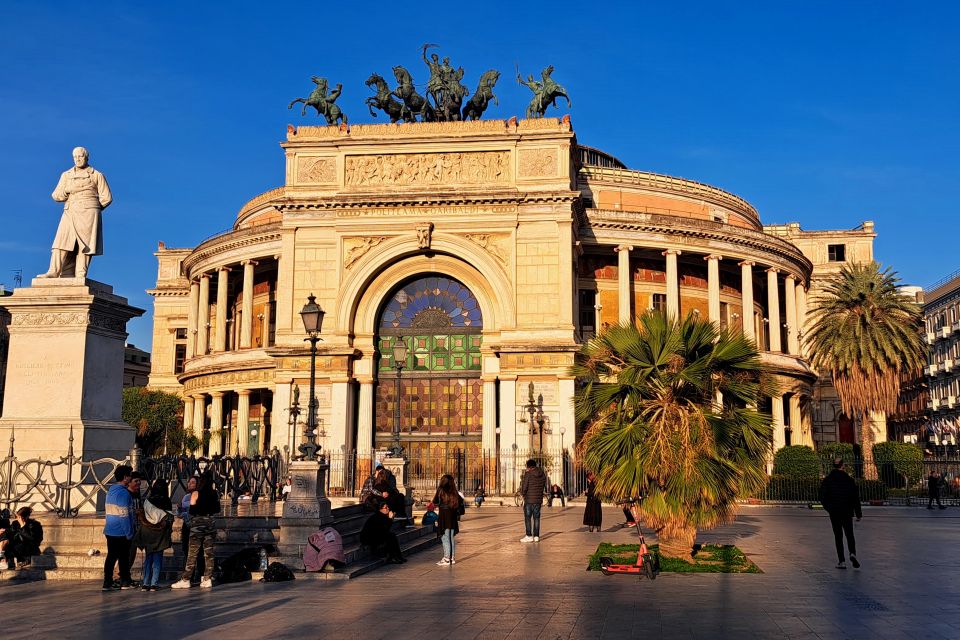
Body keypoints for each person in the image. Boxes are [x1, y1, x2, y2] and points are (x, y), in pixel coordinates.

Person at [39, 146, 112, 279]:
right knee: (61, 242)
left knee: (84, 245)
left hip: (89, 213)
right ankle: (54, 271)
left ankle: (80, 274)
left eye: (80, 156)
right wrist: (67, 190)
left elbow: (106, 197)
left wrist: (92, 207)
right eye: (75, 157)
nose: (78, 159)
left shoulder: (96, 175)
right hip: (70, 211)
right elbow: (56, 195)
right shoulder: (66, 175)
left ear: (86, 157)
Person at [172, 470, 220, 589]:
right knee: (209, 553)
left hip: (197, 524)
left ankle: (186, 578)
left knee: (192, 553)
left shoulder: (196, 493)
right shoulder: (214, 493)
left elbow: (192, 510)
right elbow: (217, 509)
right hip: (210, 523)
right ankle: (207, 578)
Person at [819, 458, 862, 569]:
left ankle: (841, 561)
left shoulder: (828, 480)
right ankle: (852, 553)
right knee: (849, 534)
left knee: (838, 536)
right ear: (843, 466)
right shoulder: (849, 480)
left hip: (834, 512)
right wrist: (858, 513)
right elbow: (855, 498)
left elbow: (822, 496)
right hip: (847, 511)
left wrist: (829, 508)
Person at [133, 480, 174, 591]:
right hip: (160, 534)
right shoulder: (167, 501)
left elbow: (143, 516)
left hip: (147, 533)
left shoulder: (148, 501)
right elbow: (169, 518)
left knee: (148, 558)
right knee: (157, 559)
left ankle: (145, 583)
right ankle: (154, 584)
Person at [103, 465, 137, 591]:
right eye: (129, 475)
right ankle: (125, 581)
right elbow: (124, 515)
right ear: (125, 477)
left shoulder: (111, 490)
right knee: (123, 557)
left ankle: (107, 581)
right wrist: (129, 532)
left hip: (110, 530)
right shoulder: (124, 494)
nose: (131, 477)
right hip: (120, 531)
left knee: (111, 557)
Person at [432, 474, 464, 566]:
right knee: (450, 537)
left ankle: (446, 558)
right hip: (452, 517)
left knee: (445, 537)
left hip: (444, 516)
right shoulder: (454, 492)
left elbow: (435, 501)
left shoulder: (441, 490)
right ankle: (452, 558)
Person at [177, 476, 204, 585]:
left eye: (193, 482)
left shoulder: (198, 495)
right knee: (187, 550)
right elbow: (181, 513)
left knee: (198, 552)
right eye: (189, 482)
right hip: (187, 526)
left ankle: (199, 574)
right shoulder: (186, 496)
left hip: (195, 525)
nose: (190, 484)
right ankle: (190, 575)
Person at [519, 459, 548, 543]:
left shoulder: (528, 474)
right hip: (538, 499)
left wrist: (523, 494)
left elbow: (524, 487)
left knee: (528, 518)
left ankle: (529, 535)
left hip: (529, 500)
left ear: (529, 467)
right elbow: (543, 485)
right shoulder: (542, 474)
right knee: (537, 518)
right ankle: (536, 536)